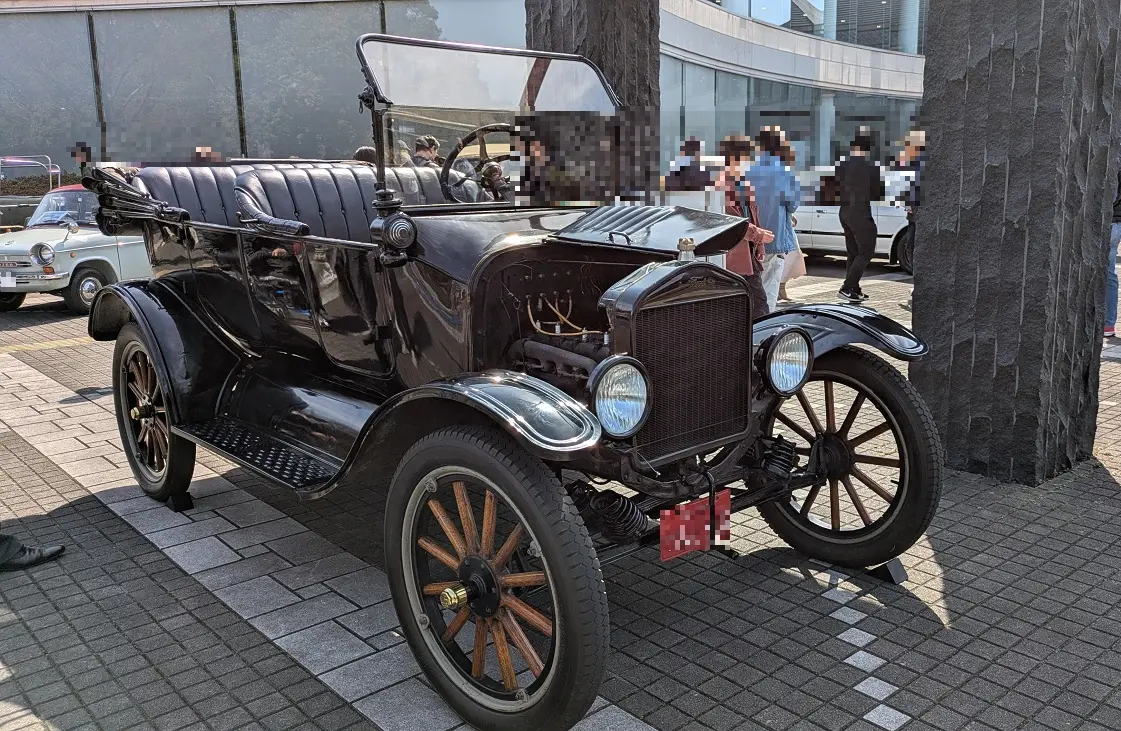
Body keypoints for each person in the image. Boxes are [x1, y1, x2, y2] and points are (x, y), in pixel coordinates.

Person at [744, 127, 800, 312]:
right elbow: (792, 204)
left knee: (752, 289)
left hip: (750, 238)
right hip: (774, 237)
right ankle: (764, 332)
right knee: (769, 289)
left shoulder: (747, 169)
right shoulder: (784, 171)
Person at [718, 136, 774, 317]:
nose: (749, 163)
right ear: (735, 158)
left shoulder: (742, 182)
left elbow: (753, 216)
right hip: (734, 255)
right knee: (755, 303)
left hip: (748, 254)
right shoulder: (723, 184)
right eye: (747, 158)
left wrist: (760, 245)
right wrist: (759, 236)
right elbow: (731, 220)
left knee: (755, 302)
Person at [835, 127, 884, 302]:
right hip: (860, 212)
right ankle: (847, 287)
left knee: (853, 252)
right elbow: (878, 193)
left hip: (844, 212)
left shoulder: (842, 164)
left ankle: (853, 289)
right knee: (866, 251)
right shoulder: (870, 166)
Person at [898, 130, 926, 312]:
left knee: (913, 249)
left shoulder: (918, 163)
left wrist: (910, 206)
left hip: (916, 214)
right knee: (912, 248)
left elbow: (915, 188)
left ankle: (918, 290)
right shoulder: (917, 162)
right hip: (915, 213)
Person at [777, 139, 806, 303]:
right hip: (780, 225)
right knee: (788, 255)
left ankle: (780, 288)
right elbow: (791, 203)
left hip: (779, 221)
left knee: (790, 256)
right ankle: (778, 289)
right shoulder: (785, 173)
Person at [1108, 169, 1120, 337]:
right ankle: (1108, 324)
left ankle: (1106, 323)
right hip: (1117, 223)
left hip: (1110, 222)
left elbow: (1112, 195)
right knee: (1109, 274)